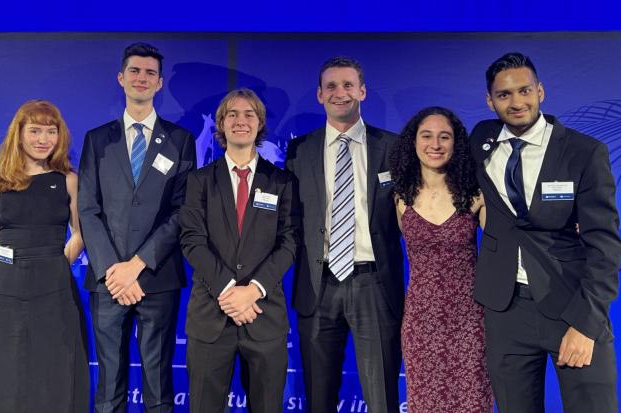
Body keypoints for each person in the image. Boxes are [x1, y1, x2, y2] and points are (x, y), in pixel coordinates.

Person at [470, 52, 621, 412]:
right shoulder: (481, 141)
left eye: (524, 90)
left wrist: (586, 323)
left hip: (570, 302)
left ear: (540, 91)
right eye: (504, 95)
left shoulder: (583, 152)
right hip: (504, 309)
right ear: (490, 101)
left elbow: (605, 245)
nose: (516, 102)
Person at [78, 42, 196, 413]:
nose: (141, 78)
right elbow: (88, 208)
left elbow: (182, 210)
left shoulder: (181, 140)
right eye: (134, 71)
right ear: (121, 78)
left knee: (158, 385)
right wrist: (114, 270)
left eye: (149, 73)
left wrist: (138, 265)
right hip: (108, 280)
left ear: (159, 83)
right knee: (109, 385)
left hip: (157, 278)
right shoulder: (97, 139)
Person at [285, 56, 404, 413]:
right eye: (332, 86)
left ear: (362, 91)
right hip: (317, 285)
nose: (341, 93)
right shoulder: (299, 149)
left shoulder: (394, 147)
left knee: (382, 397)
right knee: (318, 397)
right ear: (320, 95)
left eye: (348, 85)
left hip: (374, 284)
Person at [180, 88, 299, 413]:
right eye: (232, 114)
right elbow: (192, 241)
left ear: (260, 123)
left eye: (249, 114)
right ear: (221, 124)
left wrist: (253, 291)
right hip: (211, 317)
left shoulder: (282, 182)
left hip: (264, 316)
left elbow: (289, 241)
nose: (240, 121)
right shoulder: (199, 181)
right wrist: (230, 292)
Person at [0, 100, 88, 413]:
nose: (43, 139)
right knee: (1, 378)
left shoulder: (68, 181)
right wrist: (15, 267)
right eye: (35, 131)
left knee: (53, 376)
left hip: (55, 289)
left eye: (51, 131)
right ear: (18, 134)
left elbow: (81, 233)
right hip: (4, 291)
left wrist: (54, 261)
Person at [388, 106, 492, 412]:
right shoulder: (400, 197)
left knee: (472, 403)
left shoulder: (475, 195)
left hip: (470, 322)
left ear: (456, 143)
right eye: (427, 136)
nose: (435, 144)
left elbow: (506, 244)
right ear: (414, 142)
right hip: (420, 323)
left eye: (444, 137)